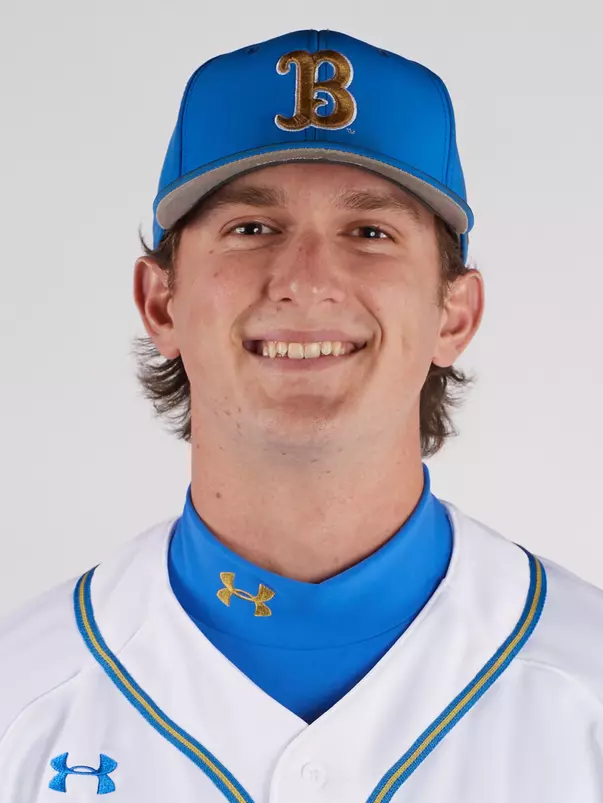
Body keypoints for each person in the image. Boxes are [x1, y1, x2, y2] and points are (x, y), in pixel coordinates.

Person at [1, 28, 602, 803]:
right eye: (252, 228)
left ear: (454, 313)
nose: (305, 280)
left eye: (369, 232)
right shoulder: (22, 699)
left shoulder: (585, 688)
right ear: (161, 301)